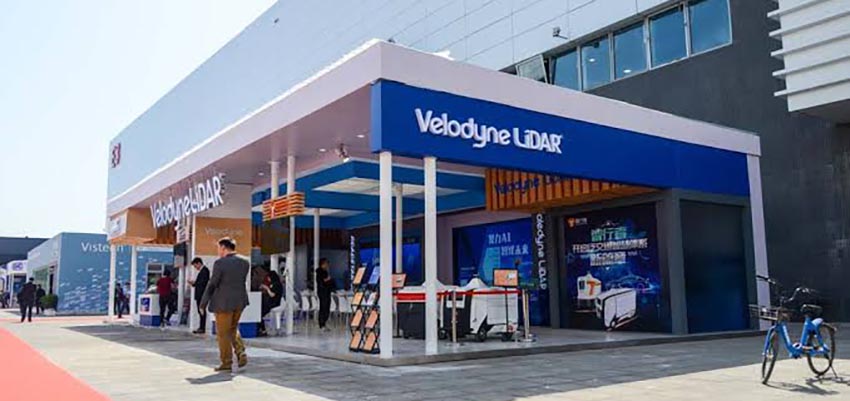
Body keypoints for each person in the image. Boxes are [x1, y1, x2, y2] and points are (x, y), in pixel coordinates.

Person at [200, 237, 250, 372]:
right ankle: (240, 352)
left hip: (223, 303)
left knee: (223, 333)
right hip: (240, 301)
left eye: (218, 248)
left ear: (223, 248)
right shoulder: (245, 262)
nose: (218, 251)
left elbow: (212, 284)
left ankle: (226, 362)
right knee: (232, 328)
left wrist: (203, 303)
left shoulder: (220, 263)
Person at [187, 258, 210, 334]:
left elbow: (203, 283)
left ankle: (202, 328)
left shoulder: (205, 271)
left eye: (195, 266)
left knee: (201, 310)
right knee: (200, 311)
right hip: (199, 294)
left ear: (199, 263)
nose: (195, 268)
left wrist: (195, 283)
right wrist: (194, 283)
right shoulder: (202, 271)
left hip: (202, 294)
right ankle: (201, 327)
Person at [258, 266, 282, 337]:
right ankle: (262, 329)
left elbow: (272, 295)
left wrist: (267, 288)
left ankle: (263, 329)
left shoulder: (276, 285)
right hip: (271, 303)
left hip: (274, 304)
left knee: (260, 314)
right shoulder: (274, 284)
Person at [316, 258, 335, 332]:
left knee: (327, 307)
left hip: (327, 292)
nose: (327, 265)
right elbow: (321, 281)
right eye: (326, 263)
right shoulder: (320, 272)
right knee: (323, 307)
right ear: (323, 264)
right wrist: (328, 279)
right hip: (323, 292)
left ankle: (324, 323)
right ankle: (322, 324)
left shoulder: (326, 272)